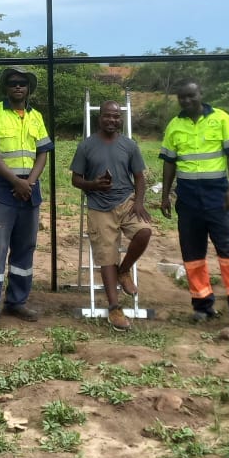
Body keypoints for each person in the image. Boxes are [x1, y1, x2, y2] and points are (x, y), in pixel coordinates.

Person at [159, 81, 229, 334]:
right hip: (188, 196)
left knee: (228, 252)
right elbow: (169, 163)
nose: (186, 100)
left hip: (217, 194)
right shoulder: (175, 125)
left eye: (190, 95)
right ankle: (202, 306)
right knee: (192, 255)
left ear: (200, 94)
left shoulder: (221, 119)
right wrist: (164, 195)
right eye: (182, 97)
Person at [0, 66, 54, 330]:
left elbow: (43, 152)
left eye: (22, 83)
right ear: (6, 87)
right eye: (13, 83)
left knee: (25, 247)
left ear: (28, 88)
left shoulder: (36, 117)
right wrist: (15, 181)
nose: (18, 86)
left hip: (29, 189)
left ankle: (17, 301)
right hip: (2, 187)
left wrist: (28, 183)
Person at [70, 100, 154, 331]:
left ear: (121, 119)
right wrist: (93, 185)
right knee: (106, 253)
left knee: (144, 231)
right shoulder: (86, 146)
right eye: (108, 116)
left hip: (126, 201)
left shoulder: (129, 145)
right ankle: (114, 308)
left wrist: (138, 202)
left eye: (116, 117)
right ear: (100, 118)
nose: (112, 120)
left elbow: (139, 177)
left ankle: (124, 270)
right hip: (98, 205)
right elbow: (75, 180)